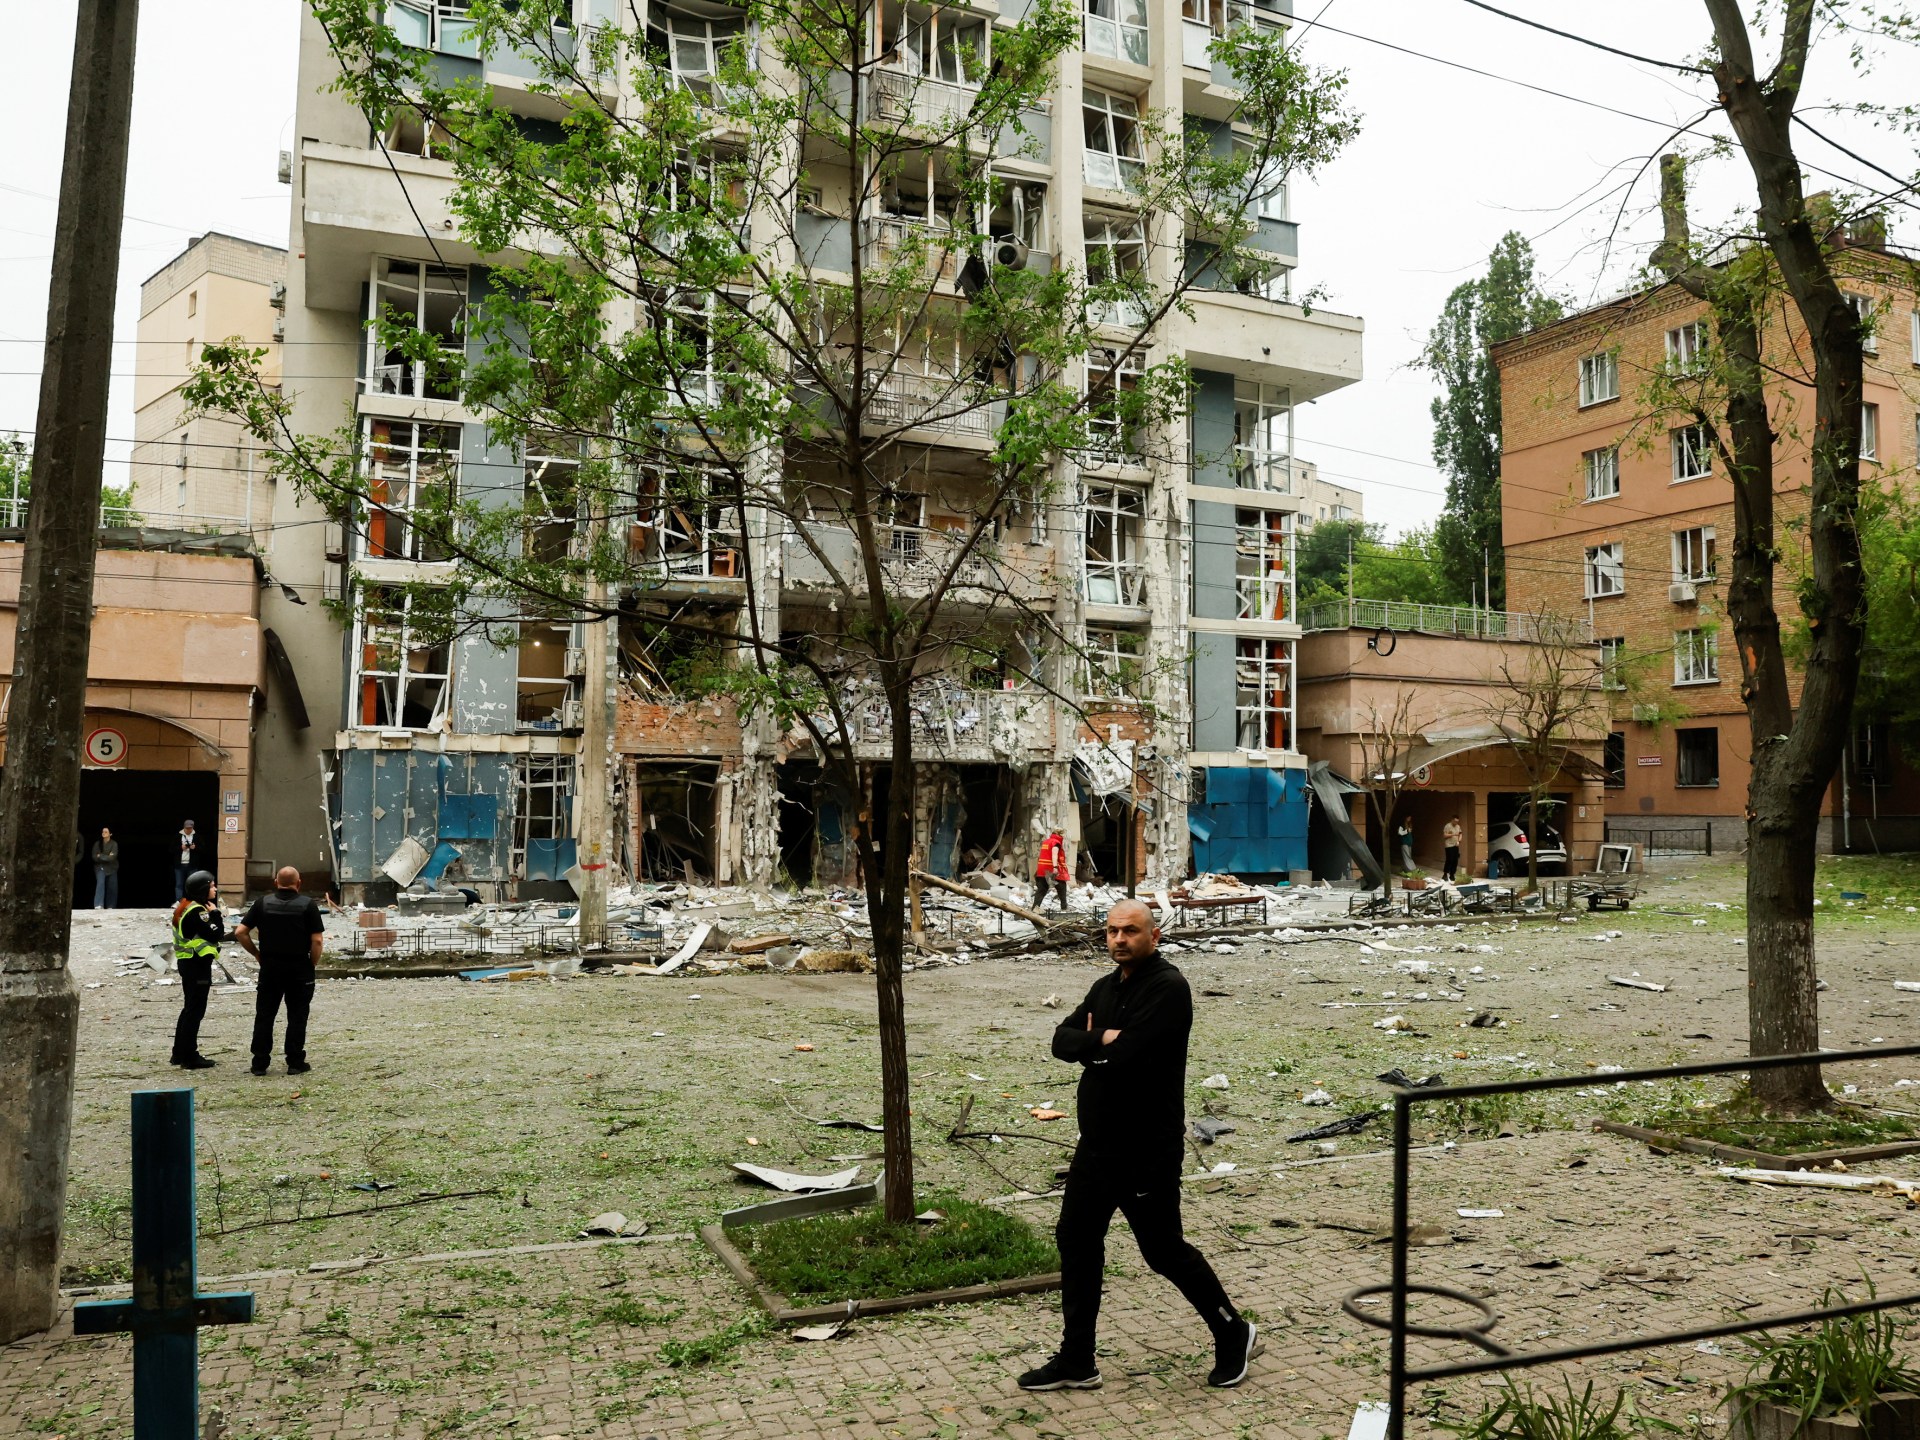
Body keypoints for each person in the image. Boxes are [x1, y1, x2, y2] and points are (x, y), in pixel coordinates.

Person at [1019, 899, 1255, 1393]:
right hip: (1096, 1147)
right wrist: (1101, 1038)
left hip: (1146, 1148)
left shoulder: (1168, 988)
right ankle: (1077, 1359)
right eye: (1112, 931)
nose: (1119, 939)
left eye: (1129, 931)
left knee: (1163, 1250)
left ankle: (1233, 1331)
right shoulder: (1104, 988)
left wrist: (1097, 1046)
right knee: (1077, 1242)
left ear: (1154, 936)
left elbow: (1124, 1059)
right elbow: (1061, 1040)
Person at [235, 866, 326, 1077]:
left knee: (265, 1015)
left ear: (276, 882)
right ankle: (295, 1061)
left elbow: (240, 932)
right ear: (299, 883)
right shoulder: (308, 905)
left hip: (270, 966)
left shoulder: (262, 903)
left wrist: (257, 954)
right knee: (297, 1015)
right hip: (299, 967)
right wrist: (312, 962)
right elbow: (317, 940)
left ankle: (259, 1062)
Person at [169, 870, 224, 1069]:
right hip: (197, 965)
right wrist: (216, 914)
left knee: (189, 1008)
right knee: (195, 1011)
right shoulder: (198, 912)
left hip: (188, 963)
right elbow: (216, 934)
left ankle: (178, 1053)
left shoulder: (185, 906)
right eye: (212, 886)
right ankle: (189, 1056)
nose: (215, 889)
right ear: (202, 889)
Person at [1032, 828, 1069, 912]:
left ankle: (1035, 908)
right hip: (1050, 869)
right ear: (1060, 835)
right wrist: (1055, 867)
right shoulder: (1056, 842)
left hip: (1041, 869)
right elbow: (1054, 854)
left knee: (1042, 889)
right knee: (1061, 886)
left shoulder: (1046, 842)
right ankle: (1064, 907)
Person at [91, 826, 120, 909]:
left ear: (110, 834)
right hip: (100, 867)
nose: (103, 833)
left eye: (106, 832)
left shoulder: (114, 844)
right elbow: (94, 857)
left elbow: (112, 858)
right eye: (103, 831)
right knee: (100, 884)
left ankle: (111, 905)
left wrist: (100, 856)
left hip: (112, 868)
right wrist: (107, 856)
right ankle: (98, 904)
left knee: (112, 887)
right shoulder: (97, 844)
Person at [174, 819, 199, 902]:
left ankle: (191, 901)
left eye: (190, 828)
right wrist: (180, 848)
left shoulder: (196, 836)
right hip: (179, 865)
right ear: (184, 827)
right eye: (187, 828)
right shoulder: (178, 836)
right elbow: (171, 849)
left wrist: (195, 848)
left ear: (193, 828)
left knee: (192, 884)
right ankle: (179, 901)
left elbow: (203, 849)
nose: (188, 830)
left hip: (192, 865)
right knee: (179, 884)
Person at [1442, 816, 1463, 882]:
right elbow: (1444, 835)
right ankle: (1445, 874)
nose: (1456, 823)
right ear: (1452, 820)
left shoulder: (1458, 826)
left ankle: (1452, 874)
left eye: (1457, 821)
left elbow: (1460, 834)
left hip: (1456, 845)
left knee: (1455, 860)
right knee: (1449, 859)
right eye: (1455, 821)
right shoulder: (1447, 826)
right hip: (1449, 845)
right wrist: (1452, 835)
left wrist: (1459, 841)